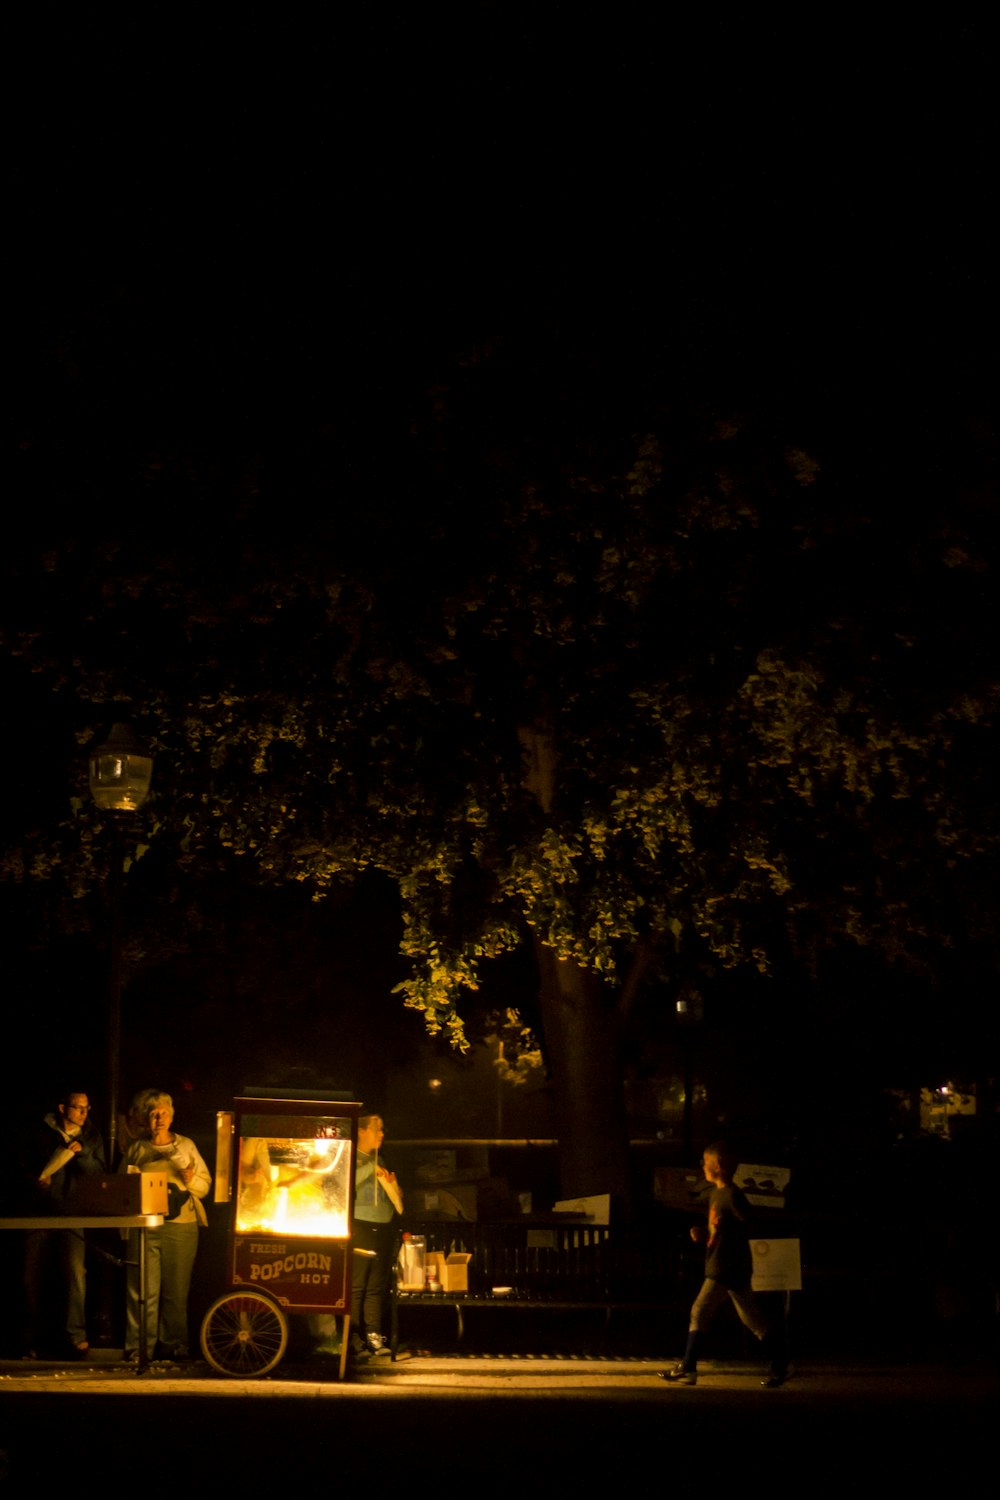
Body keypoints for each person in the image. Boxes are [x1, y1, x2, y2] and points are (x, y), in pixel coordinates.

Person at [659, 1141, 788, 1388]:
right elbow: (720, 1228)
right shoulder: (717, 1194)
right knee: (752, 1319)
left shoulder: (731, 1195)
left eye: (706, 1162)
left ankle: (688, 1367)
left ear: (717, 1166)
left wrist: (729, 1236)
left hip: (726, 1266)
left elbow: (750, 1223)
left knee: (700, 1310)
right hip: (724, 1264)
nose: (702, 1166)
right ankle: (782, 1363)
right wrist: (704, 1234)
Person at [121, 1090, 211, 1361]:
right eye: (153, 1114)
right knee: (142, 1289)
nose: (158, 1119)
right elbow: (121, 1188)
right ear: (146, 1119)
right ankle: (139, 1348)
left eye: (163, 1113)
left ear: (171, 1117)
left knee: (176, 1291)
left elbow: (204, 1187)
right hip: (146, 1226)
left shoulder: (186, 1146)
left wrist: (191, 1179)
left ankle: (174, 1345)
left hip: (181, 1225)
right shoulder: (137, 1148)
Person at [21, 1087, 106, 1358]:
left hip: (73, 1212)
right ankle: (31, 1338)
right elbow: (22, 1167)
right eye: (78, 1107)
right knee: (31, 1275)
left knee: (75, 1274)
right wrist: (38, 1183)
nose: (84, 1113)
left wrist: (80, 1154)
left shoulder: (91, 1136)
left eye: (87, 1108)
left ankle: (76, 1335)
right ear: (62, 1108)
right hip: (39, 1212)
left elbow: (99, 1173)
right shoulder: (39, 1133)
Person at [350, 1113, 402, 1359]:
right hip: (359, 1225)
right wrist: (371, 1168)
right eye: (376, 1129)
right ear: (361, 1131)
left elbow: (388, 1196)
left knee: (375, 1287)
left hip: (382, 1226)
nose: (381, 1134)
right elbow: (347, 1184)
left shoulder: (380, 1159)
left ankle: (374, 1337)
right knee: (357, 1285)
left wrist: (394, 1187)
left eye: (382, 1130)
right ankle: (353, 1339)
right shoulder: (351, 1157)